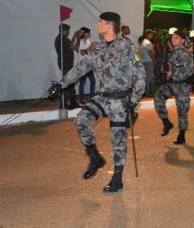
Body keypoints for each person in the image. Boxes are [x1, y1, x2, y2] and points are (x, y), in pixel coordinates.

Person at [51, 12, 145, 193]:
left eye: (100, 22)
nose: (98, 24)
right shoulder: (98, 48)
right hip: (102, 97)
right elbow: (80, 68)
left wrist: (133, 103)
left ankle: (117, 179)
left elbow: (140, 75)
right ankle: (95, 157)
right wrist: (60, 85)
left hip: (120, 100)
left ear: (109, 25)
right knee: (81, 121)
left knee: (118, 140)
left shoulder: (128, 47)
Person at [154, 30, 194, 144]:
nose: (173, 39)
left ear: (182, 40)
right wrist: (166, 75)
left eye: (176, 38)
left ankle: (182, 135)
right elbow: (170, 67)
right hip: (171, 84)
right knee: (158, 97)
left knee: (182, 110)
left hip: (182, 85)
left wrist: (174, 75)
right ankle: (167, 123)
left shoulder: (186, 54)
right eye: (172, 37)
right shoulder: (171, 53)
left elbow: (190, 71)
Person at [54, 23, 80, 109]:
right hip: (66, 64)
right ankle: (64, 103)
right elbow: (75, 47)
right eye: (68, 31)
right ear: (64, 31)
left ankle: (71, 102)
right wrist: (79, 38)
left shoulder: (61, 39)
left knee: (69, 82)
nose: (69, 32)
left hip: (65, 63)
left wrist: (74, 36)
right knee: (67, 83)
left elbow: (70, 44)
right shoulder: (63, 40)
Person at [78, 27, 96, 105]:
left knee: (93, 81)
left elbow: (89, 51)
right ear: (85, 33)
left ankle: (92, 97)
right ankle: (81, 98)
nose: (90, 34)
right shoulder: (81, 42)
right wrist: (90, 47)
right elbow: (82, 53)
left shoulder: (88, 41)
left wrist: (96, 47)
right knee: (82, 82)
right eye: (88, 32)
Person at [141, 29, 156, 96]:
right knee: (148, 77)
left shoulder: (143, 41)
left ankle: (148, 91)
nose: (152, 35)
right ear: (147, 35)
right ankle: (146, 92)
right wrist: (154, 60)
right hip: (148, 61)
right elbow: (151, 53)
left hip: (144, 61)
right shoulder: (147, 42)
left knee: (147, 77)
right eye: (151, 34)